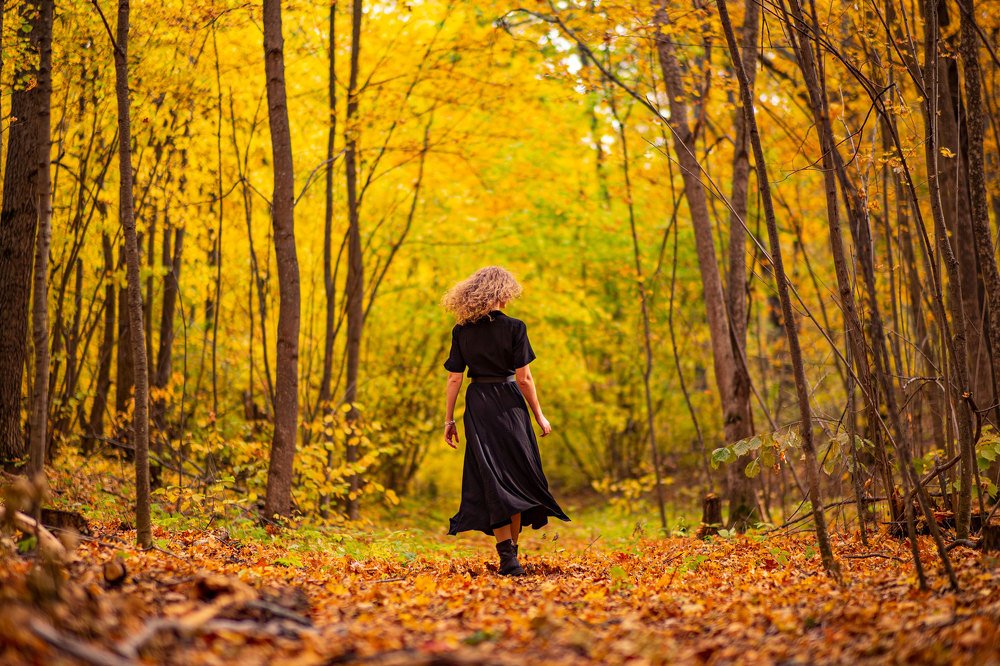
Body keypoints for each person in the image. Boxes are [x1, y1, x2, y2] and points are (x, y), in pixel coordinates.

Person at [441, 266, 569, 576]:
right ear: (504, 293)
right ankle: (511, 555)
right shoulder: (515, 327)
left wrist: (448, 420)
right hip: (510, 405)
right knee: (516, 474)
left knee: (491, 477)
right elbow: (524, 378)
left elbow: (454, 379)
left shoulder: (462, 330)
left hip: (478, 405)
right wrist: (539, 415)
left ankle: (508, 556)